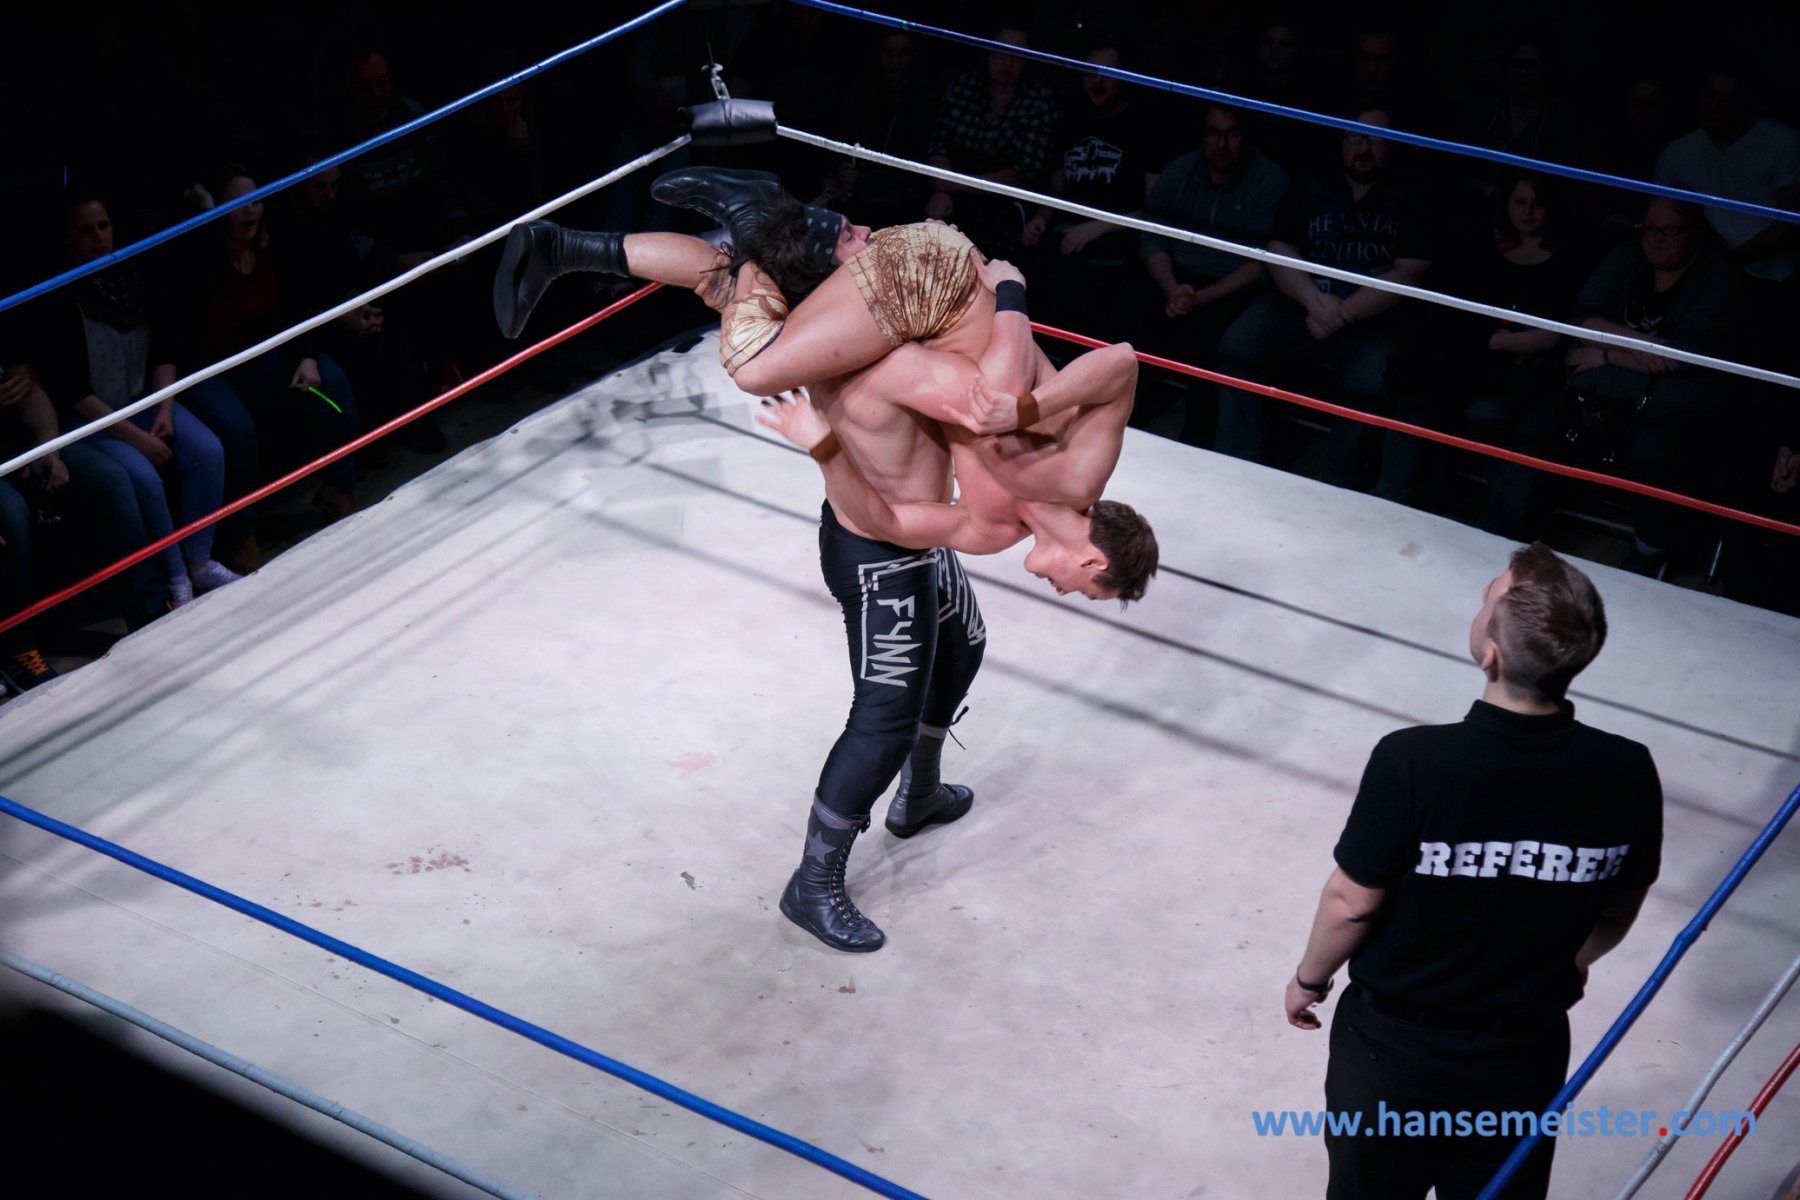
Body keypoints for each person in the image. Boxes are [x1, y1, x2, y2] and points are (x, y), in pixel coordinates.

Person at [1285, 544, 1662, 1200]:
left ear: (1491, 654)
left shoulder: (1414, 760)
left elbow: (1352, 901)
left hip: (1393, 1051)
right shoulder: (1627, 770)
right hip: (1523, 1052)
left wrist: (1308, 979)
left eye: (1488, 599)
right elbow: (1621, 904)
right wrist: (1575, 961)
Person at [1482, 197, 1745, 573]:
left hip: (1666, 405)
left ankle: (1649, 554)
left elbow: (1680, 358)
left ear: (1696, 233)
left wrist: (1607, 354)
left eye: (1670, 230)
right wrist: (1642, 347)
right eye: (1650, 228)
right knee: (1532, 436)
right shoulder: (1626, 256)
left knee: (1658, 456)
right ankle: (1497, 545)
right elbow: (1583, 320)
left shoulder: (1719, 276)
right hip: (1590, 392)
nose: (1656, 238)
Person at [32, 194, 239, 608]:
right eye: (87, 231)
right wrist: (138, 439)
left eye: (104, 226)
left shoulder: (134, 277)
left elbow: (165, 348)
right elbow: (74, 392)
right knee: (143, 477)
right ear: (69, 240)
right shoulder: (60, 299)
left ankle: (199, 559)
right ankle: (176, 577)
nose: (99, 237)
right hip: (93, 421)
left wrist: (165, 408)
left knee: (208, 451)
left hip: (143, 399)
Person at [1214, 109, 1433, 487]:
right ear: (1340, 141)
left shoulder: (1409, 196)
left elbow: (1411, 272)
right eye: (1354, 137)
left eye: (1375, 139)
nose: (1363, 148)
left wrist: (1343, 313)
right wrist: (1314, 300)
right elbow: (1279, 246)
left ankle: (1337, 482)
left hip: (1369, 316)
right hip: (1302, 302)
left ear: (1391, 145)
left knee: (1369, 380)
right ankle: (1238, 463)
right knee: (1238, 345)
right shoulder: (1313, 182)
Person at [924, 22, 1061, 257]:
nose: (1008, 62)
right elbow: (938, 146)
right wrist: (941, 190)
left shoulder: (1039, 99)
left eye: (1017, 55)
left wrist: (951, 186)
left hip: (1005, 203)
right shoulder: (963, 87)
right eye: (1001, 51)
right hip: (949, 192)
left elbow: (1023, 174)